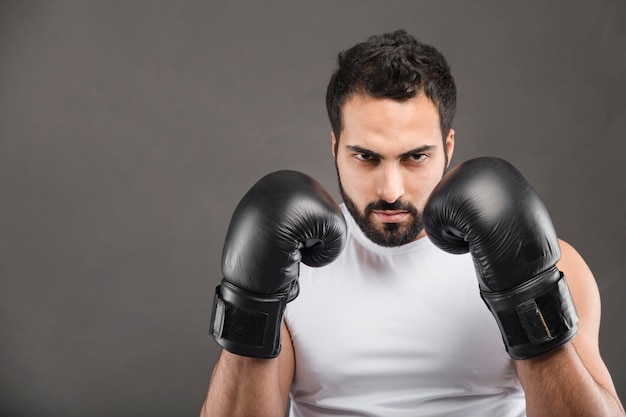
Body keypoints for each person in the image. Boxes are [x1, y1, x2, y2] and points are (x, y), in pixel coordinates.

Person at [200, 30, 625, 417]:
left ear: (448, 146)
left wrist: (528, 295)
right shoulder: (293, 267)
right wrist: (251, 305)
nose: (390, 189)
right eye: (365, 157)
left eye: (415, 157)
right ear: (335, 147)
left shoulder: (553, 262)